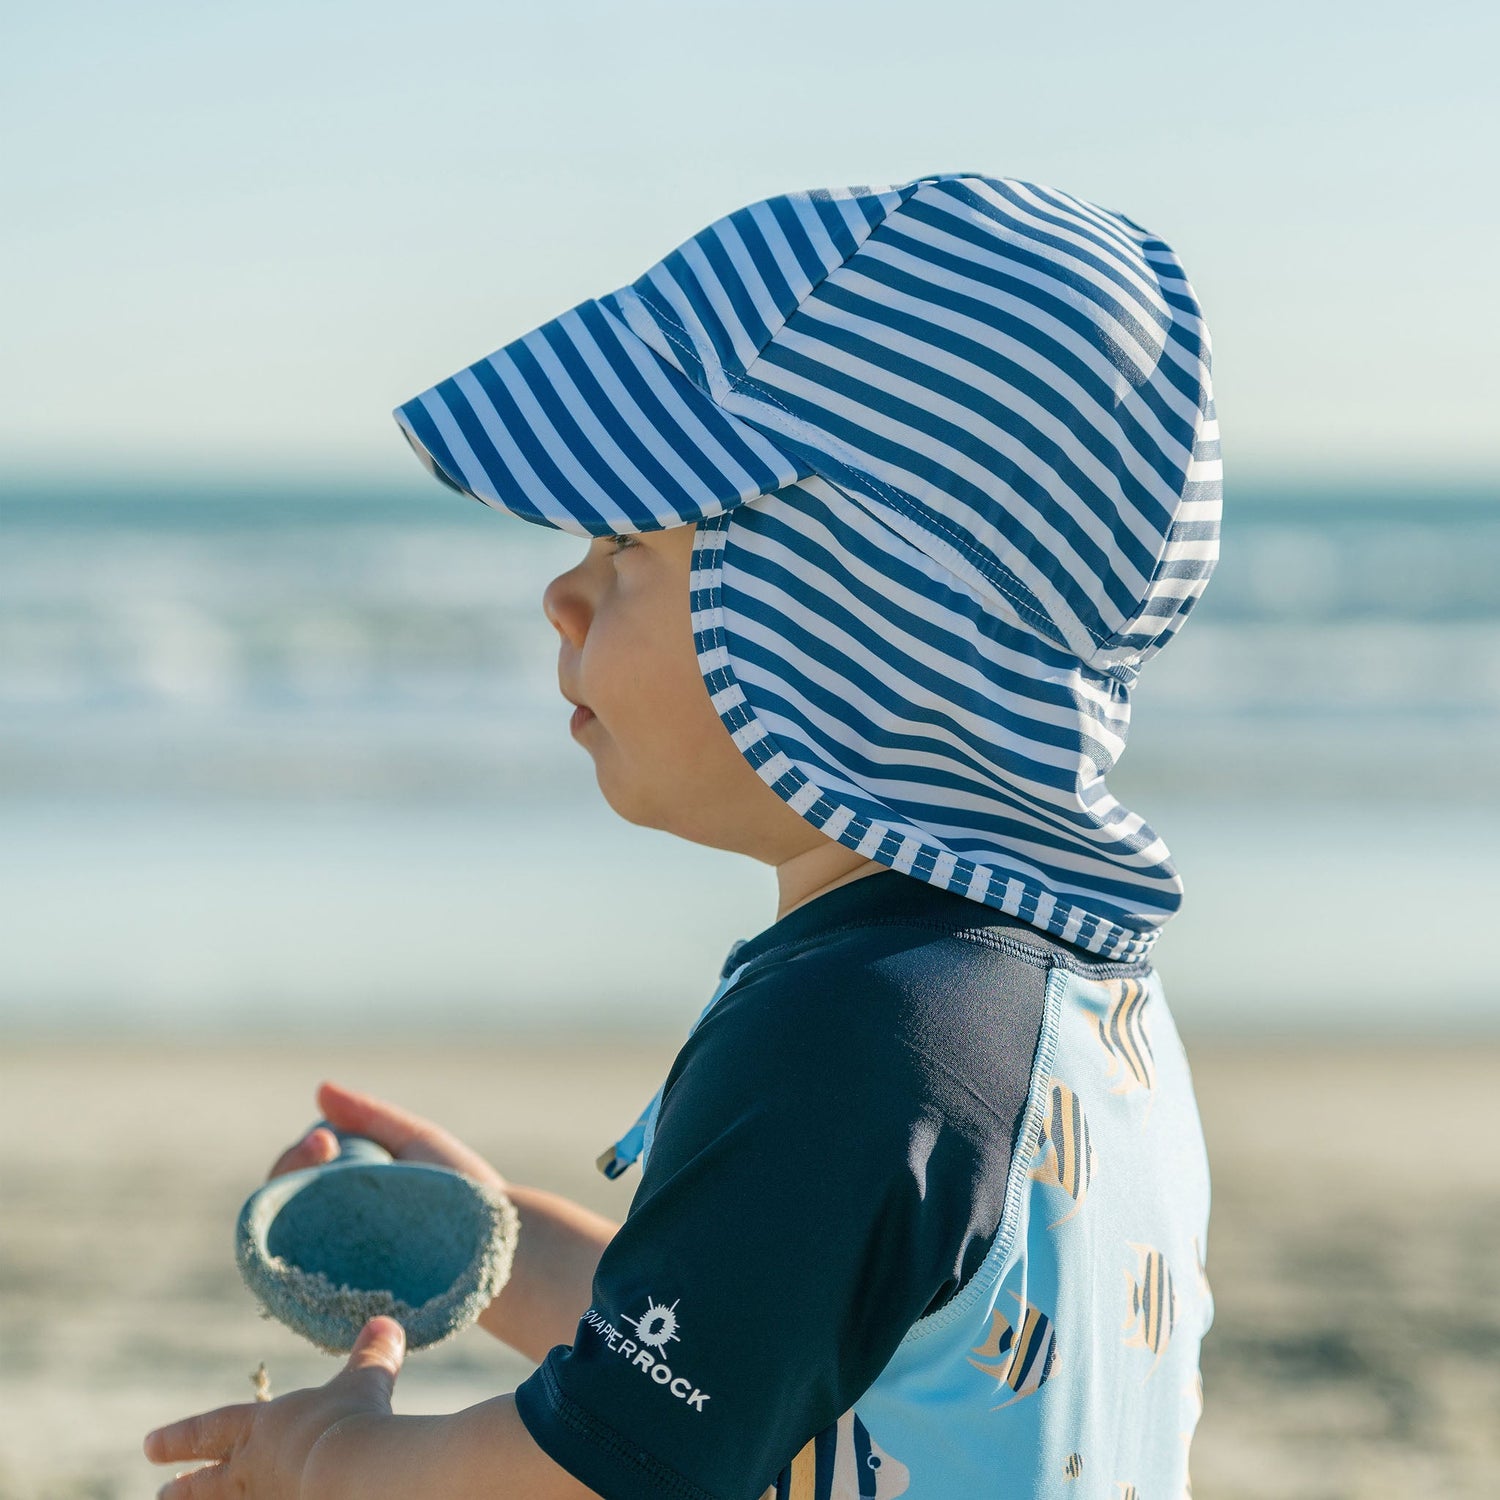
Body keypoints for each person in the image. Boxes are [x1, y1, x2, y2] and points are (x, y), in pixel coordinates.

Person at [145, 171, 1220, 1500]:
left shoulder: (862, 1036)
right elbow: (770, 1327)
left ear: (840, 619)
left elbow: (607, 1468)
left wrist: (333, 1457)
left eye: (630, 541)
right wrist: (495, 1245)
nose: (561, 591)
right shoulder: (1054, 1010)